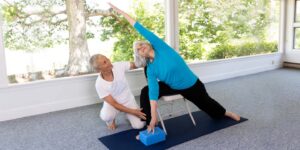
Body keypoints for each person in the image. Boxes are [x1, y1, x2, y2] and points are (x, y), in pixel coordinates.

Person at [108, 3, 240, 134]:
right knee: (146, 91)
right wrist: (153, 117)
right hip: (172, 86)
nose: (141, 47)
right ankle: (149, 124)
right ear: (140, 56)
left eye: (141, 44)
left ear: (147, 44)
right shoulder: (150, 69)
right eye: (138, 50)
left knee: (208, 105)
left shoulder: (160, 46)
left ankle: (226, 113)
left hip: (191, 85)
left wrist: (121, 12)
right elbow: (153, 93)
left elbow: (140, 28)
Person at [90, 54, 146, 130]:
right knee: (106, 116)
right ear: (99, 69)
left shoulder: (118, 66)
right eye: (104, 62)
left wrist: (144, 60)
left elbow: (134, 65)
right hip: (113, 104)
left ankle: (128, 115)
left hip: (128, 100)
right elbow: (114, 104)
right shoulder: (99, 84)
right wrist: (133, 112)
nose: (109, 62)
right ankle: (112, 119)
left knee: (139, 125)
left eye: (107, 59)